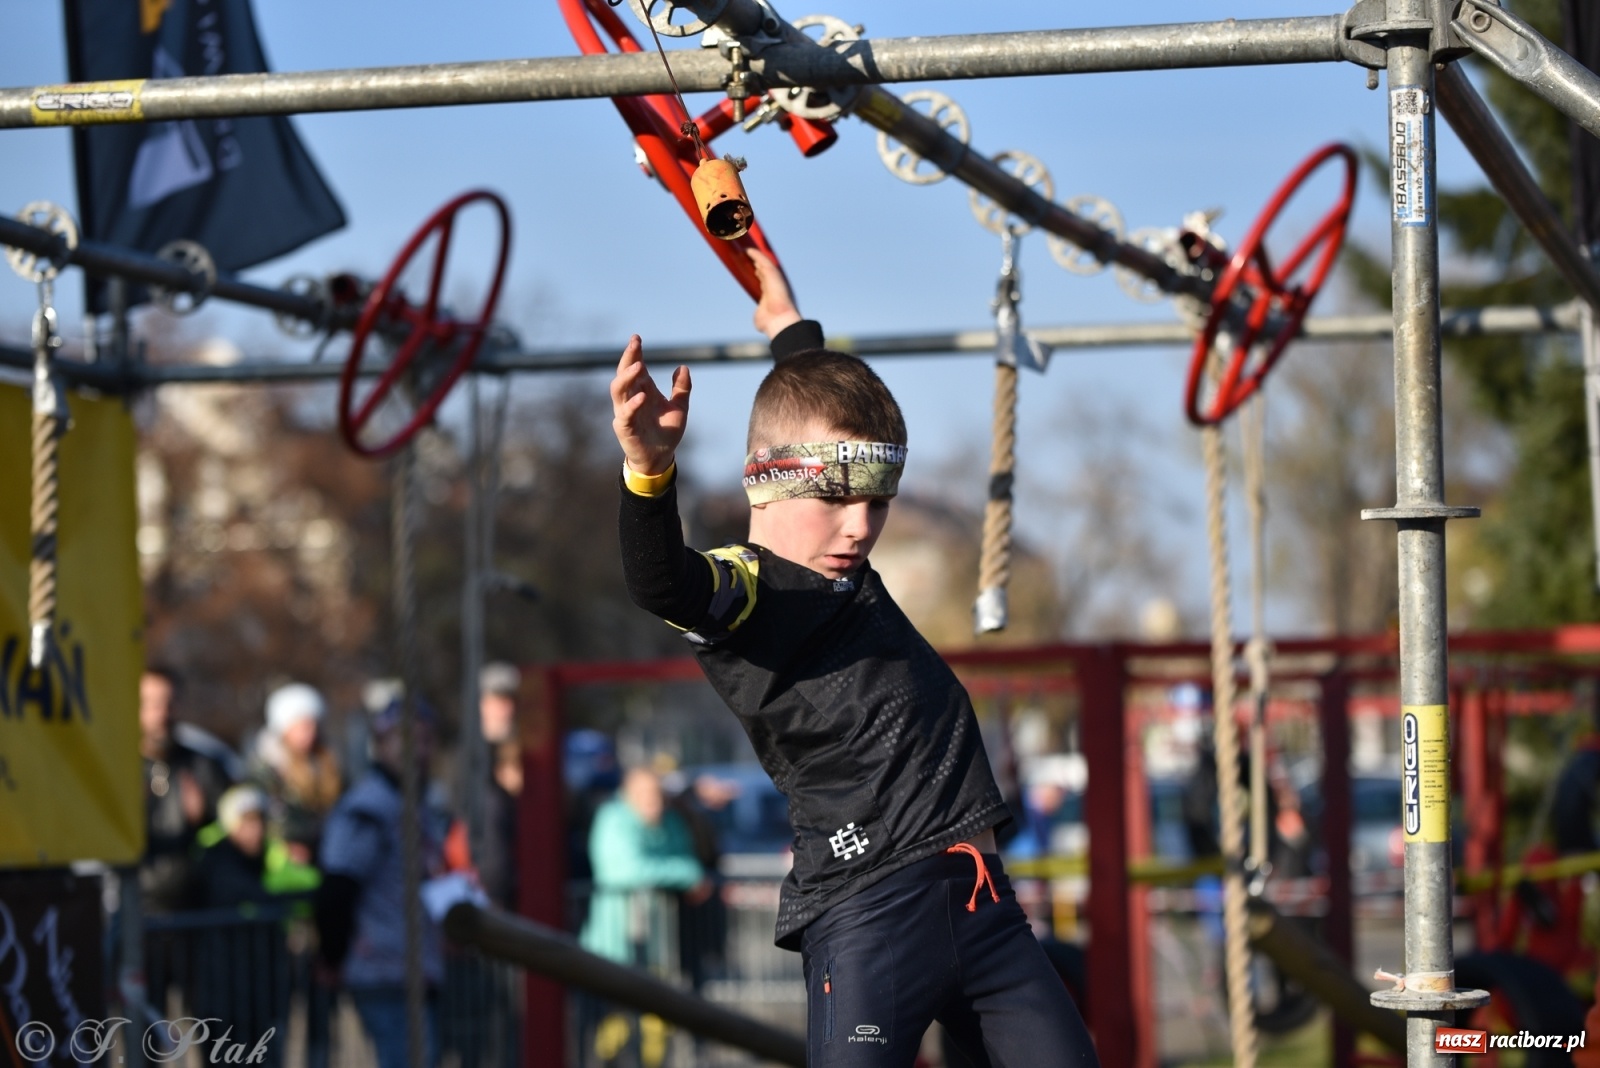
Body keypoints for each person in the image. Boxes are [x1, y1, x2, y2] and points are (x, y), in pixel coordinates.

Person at [608, 250, 1098, 1067]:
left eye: (879, 506)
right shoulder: (752, 589)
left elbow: (824, 416)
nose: (860, 528)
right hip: (871, 909)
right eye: (840, 504)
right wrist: (649, 471)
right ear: (766, 483)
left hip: (980, 898)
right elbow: (664, 582)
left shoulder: (845, 568)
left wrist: (789, 327)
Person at [316, 697, 446, 1068]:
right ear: (382, 743)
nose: (418, 752)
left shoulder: (415, 803)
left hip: (416, 965)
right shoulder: (368, 809)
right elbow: (337, 889)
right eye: (406, 741)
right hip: (382, 968)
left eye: (425, 741)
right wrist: (333, 955)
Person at [139, 665, 233, 914]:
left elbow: (232, 833)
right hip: (136, 905)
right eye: (151, 703)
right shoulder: (121, 771)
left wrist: (201, 824)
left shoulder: (204, 767)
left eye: (169, 702)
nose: (162, 713)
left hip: (195, 906)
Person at [248, 682, 343, 866]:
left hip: (324, 856)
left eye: (313, 726)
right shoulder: (267, 770)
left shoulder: (326, 764)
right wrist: (285, 844)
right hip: (280, 864)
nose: (310, 734)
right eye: (303, 726)